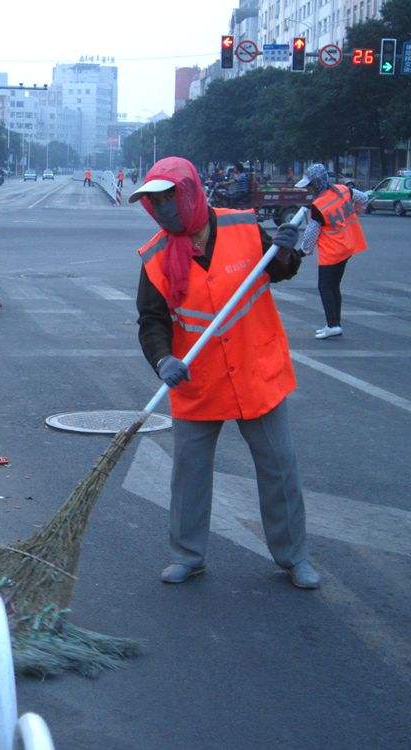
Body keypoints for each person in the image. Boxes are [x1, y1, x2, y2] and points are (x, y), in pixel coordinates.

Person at [130, 157, 319, 590]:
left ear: (191, 192)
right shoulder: (156, 256)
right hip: (197, 380)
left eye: (168, 198)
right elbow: (151, 321)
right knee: (189, 474)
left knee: (279, 468)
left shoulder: (243, 227)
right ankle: (187, 555)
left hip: (256, 371)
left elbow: (278, 270)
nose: (162, 209)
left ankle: (293, 557)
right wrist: (163, 361)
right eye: (154, 203)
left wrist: (288, 248)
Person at [295, 163, 369, 339]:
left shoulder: (319, 205)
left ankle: (333, 325)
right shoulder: (343, 190)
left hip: (333, 251)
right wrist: (356, 212)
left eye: (310, 185)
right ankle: (335, 324)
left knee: (325, 287)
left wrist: (302, 252)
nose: (309, 189)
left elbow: (311, 233)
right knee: (334, 286)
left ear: (317, 183)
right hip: (347, 246)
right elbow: (364, 197)